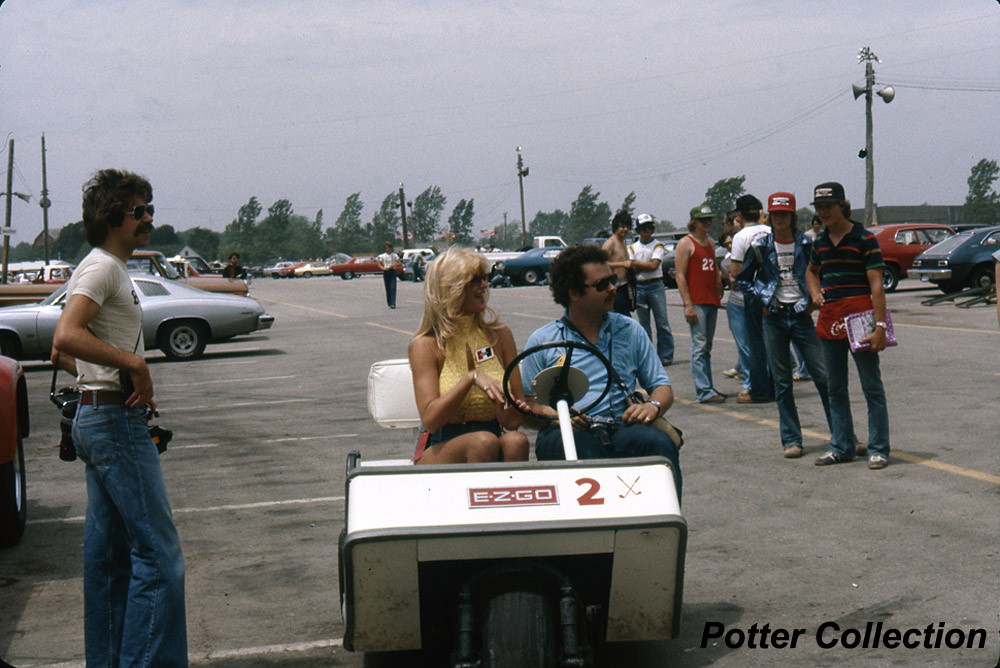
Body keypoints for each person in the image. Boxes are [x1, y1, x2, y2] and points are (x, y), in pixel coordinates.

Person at [51, 169, 188, 666]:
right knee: (159, 559)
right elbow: (66, 336)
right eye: (139, 211)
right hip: (112, 425)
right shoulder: (103, 268)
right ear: (113, 217)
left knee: (108, 561)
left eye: (150, 208)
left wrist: (107, 378)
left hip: (100, 415)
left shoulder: (103, 268)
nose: (149, 218)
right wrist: (133, 366)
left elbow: (62, 353)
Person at [521, 245, 682, 497]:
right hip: (568, 433)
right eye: (601, 285)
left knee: (658, 444)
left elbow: (662, 387)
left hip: (623, 427)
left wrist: (652, 406)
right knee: (584, 451)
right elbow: (526, 404)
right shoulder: (543, 341)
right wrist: (557, 416)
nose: (612, 288)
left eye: (612, 280)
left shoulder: (630, 330)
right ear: (574, 293)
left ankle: (663, 521)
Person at [408, 247, 530, 464]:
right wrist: (470, 379)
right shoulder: (425, 344)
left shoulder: (500, 335)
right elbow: (431, 421)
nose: (484, 285)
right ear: (451, 288)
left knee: (516, 441)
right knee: (483, 442)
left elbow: (512, 422)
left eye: (485, 278)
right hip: (440, 443)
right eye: (475, 280)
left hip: (491, 435)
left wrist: (508, 407)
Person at [737, 192, 833, 458]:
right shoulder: (760, 246)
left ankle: (841, 434)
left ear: (792, 216)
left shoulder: (807, 244)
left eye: (785, 214)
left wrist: (812, 302)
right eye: (776, 214)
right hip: (774, 318)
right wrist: (763, 303)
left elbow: (822, 275)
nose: (780, 219)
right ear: (769, 217)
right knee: (782, 383)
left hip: (801, 315)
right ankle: (792, 440)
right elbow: (743, 280)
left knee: (823, 377)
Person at [805, 182, 890, 470]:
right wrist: (814, 292)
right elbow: (811, 271)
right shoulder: (820, 242)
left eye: (828, 206)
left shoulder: (865, 239)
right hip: (831, 318)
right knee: (835, 387)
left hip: (860, 318)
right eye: (819, 207)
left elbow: (877, 285)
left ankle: (878, 448)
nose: (823, 212)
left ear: (842, 206)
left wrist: (880, 327)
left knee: (871, 386)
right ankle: (841, 446)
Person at [675, 205, 726, 403]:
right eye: (703, 220)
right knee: (699, 345)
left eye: (709, 219)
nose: (707, 223)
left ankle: (708, 386)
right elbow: (680, 275)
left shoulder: (710, 242)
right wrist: (688, 304)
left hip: (710, 299)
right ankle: (703, 391)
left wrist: (718, 284)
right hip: (696, 301)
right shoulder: (685, 244)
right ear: (694, 222)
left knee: (707, 346)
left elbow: (713, 267)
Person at [728, 194, 773, 404]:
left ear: (740, 214)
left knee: (755, 344)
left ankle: (760, 389)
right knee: (773, 340)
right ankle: (776, 385)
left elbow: (736, 270)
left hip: (753, 294)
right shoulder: (770, 231)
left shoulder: (741, 237)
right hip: (773, 292)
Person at [629, 214, 675, 365]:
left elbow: (654, 266)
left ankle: (666, 355)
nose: (646, 230)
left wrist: (637, 263)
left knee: (662, 322)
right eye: (643, 228)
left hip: (656, 286)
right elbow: (632, 268)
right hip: (639, 286)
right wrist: (644, 265)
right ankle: (648, 356)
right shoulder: (633, 247)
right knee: (644, 324)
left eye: (649, 227)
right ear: (638, 230)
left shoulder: (658, 245)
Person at [602, 211, 635, 315]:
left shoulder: (623, 242)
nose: (625, 229)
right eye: (622, 226)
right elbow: (601, 264)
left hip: (624, 285)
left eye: (627, 227)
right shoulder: (610, 243)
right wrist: (622, 264)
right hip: (614, 286)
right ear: (616, 227)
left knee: (625, 316)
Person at [377, 242, 401, 308]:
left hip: (392, 271)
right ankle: (389, 302)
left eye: (389, 247)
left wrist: (393, 265)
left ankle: (393, 303)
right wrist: (383, 268)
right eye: (387, 248)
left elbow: (399, 263)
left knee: (393, 287)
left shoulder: (394, 255)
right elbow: (379, 263)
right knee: (388, 287)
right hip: (386, 272)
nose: (388, 249)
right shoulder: (383, 256)